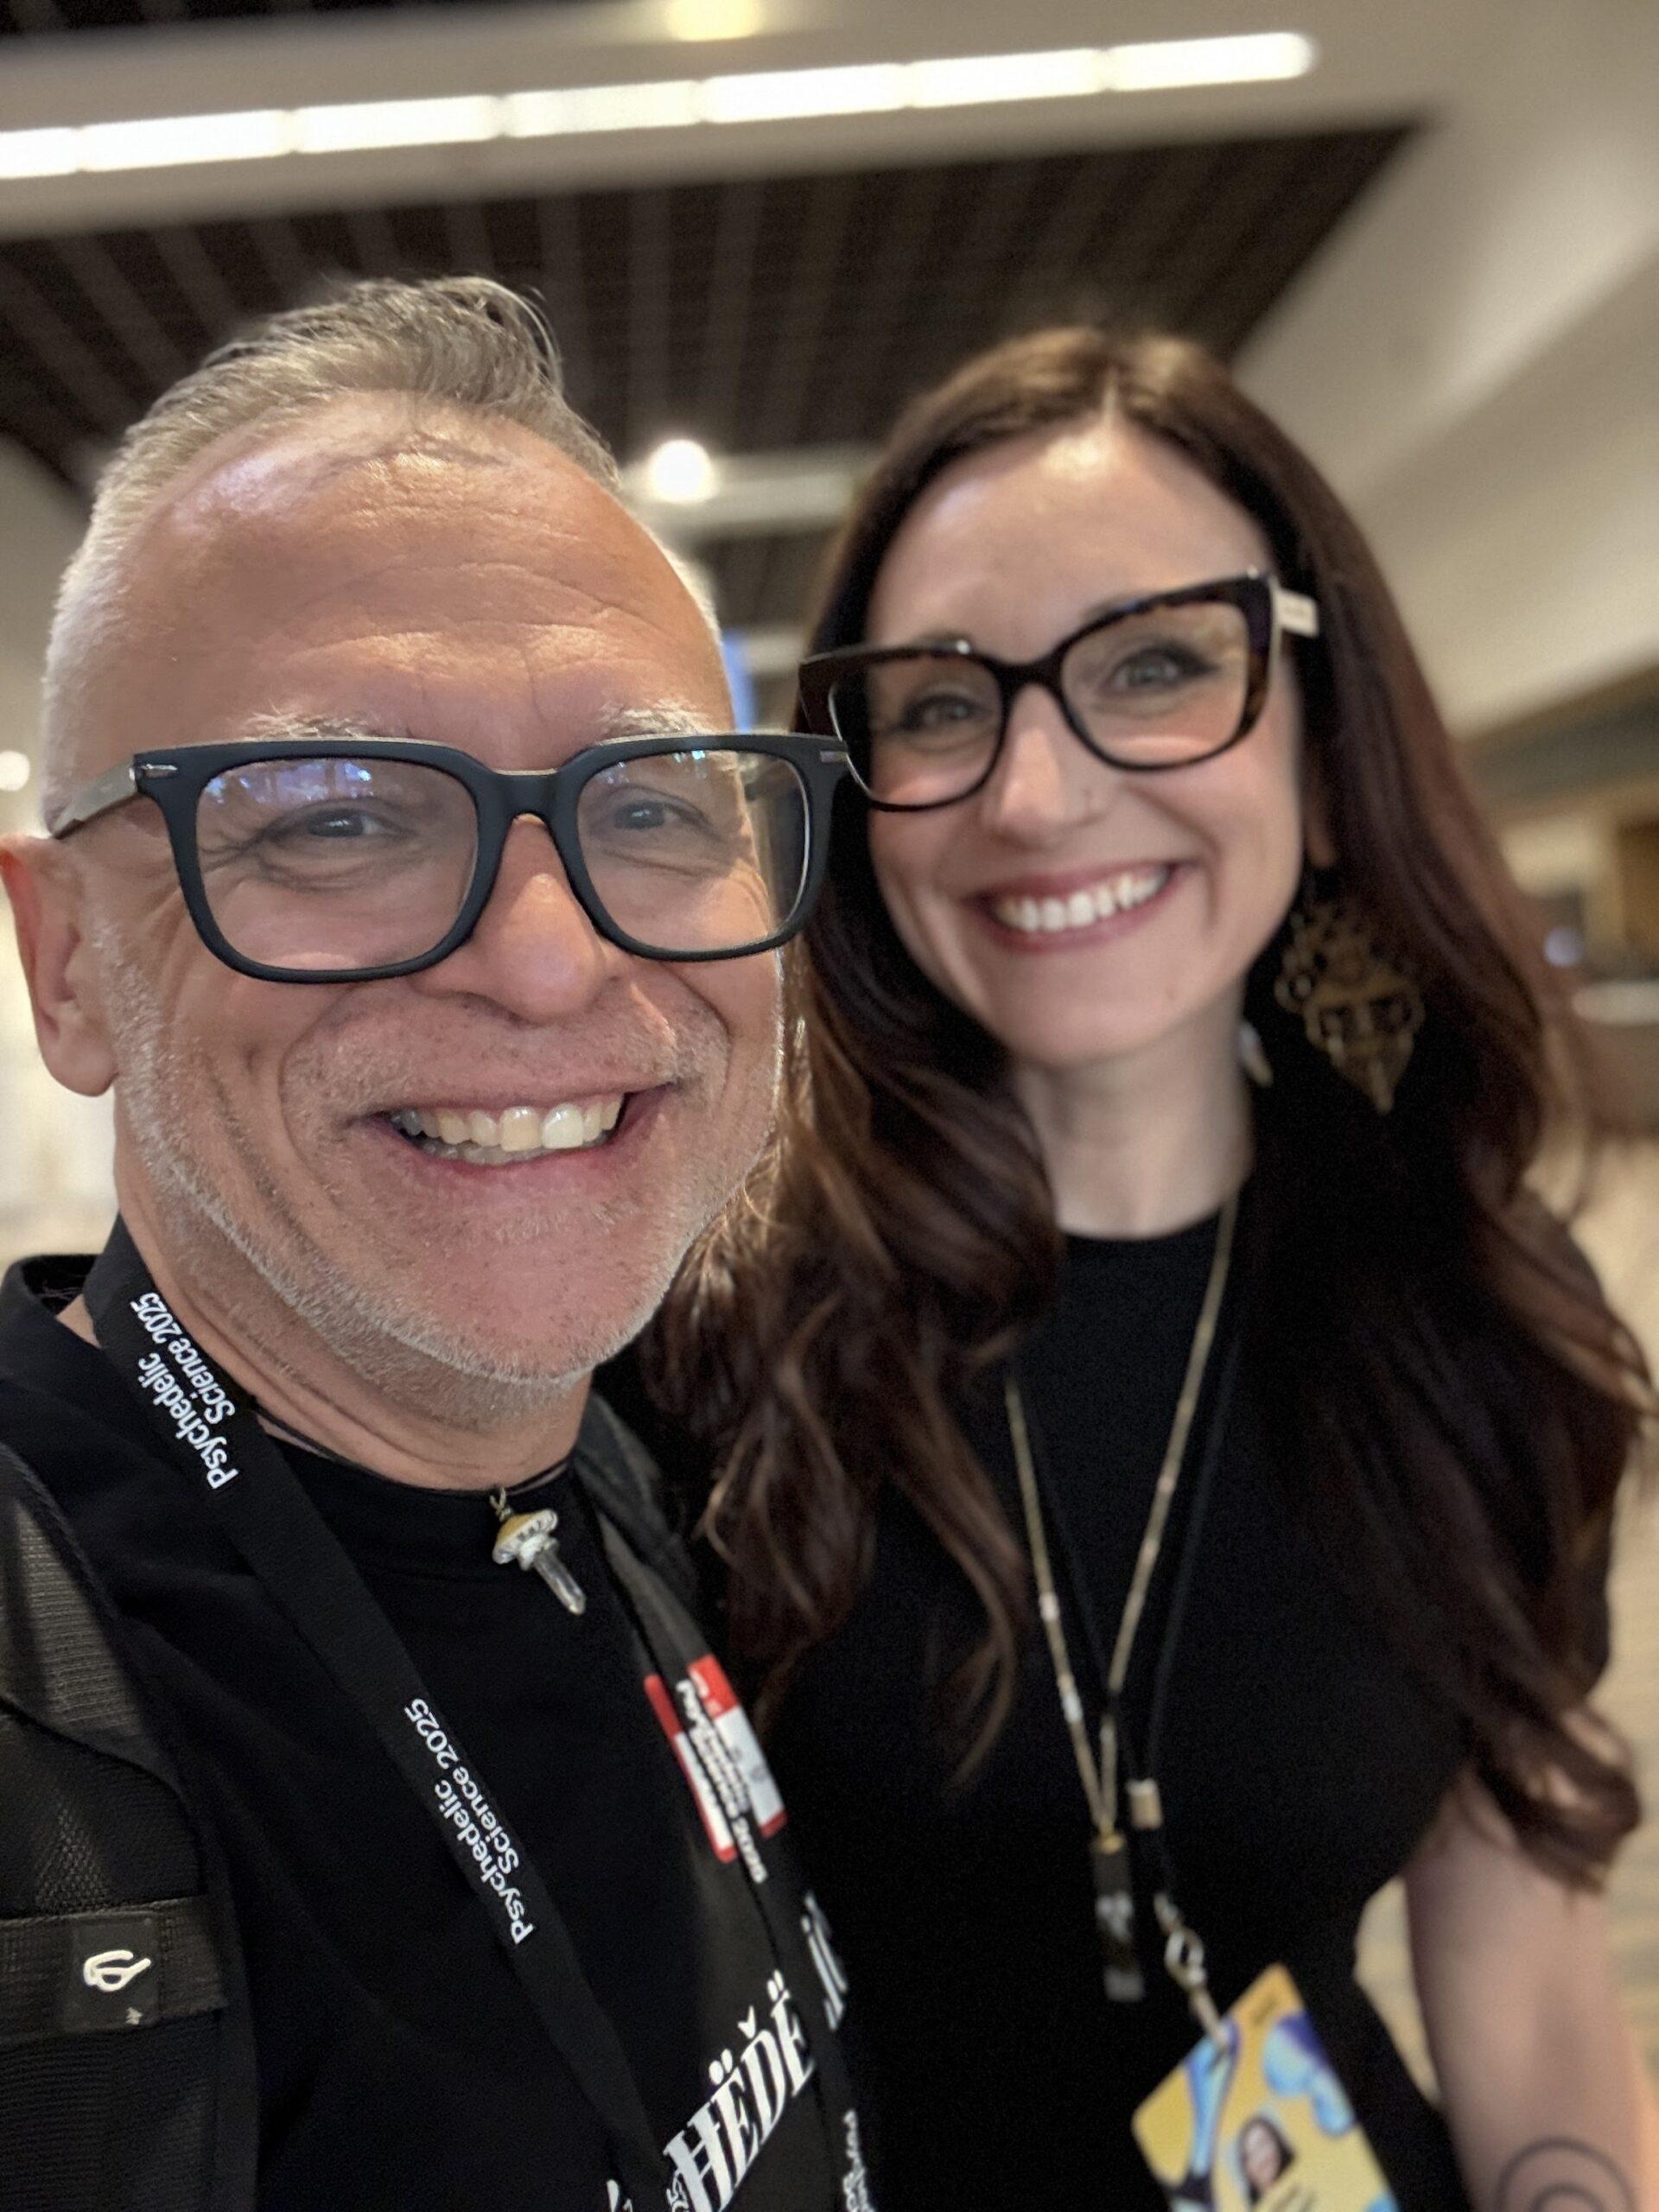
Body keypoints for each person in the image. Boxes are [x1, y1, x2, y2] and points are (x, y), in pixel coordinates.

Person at [638, 329, 1659, 2210]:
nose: (1035, 795)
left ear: (1326, 755)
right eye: (940, 704)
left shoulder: (1469, 1329)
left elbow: (1519, 1962)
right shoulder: (705, 1334)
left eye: (1160, 665)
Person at [0, 276, 871, 2212]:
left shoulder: (625, 1472)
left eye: (651, 804)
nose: (549, 960)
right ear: (66, 961)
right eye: (334, 816)